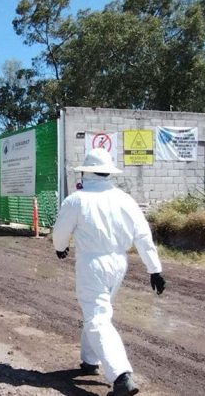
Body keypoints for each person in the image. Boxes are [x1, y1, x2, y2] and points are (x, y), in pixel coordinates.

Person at [52, 148, 166, 396]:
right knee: (97, 312)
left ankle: (121, 375)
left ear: (86, 172)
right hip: (119, 263)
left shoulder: (76, 200)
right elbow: (143, 237)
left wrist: (60, 248)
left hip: (91, 263)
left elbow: (61, 231)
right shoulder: (126, 200)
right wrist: (154, 269)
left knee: (97, 317)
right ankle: (90, 361)